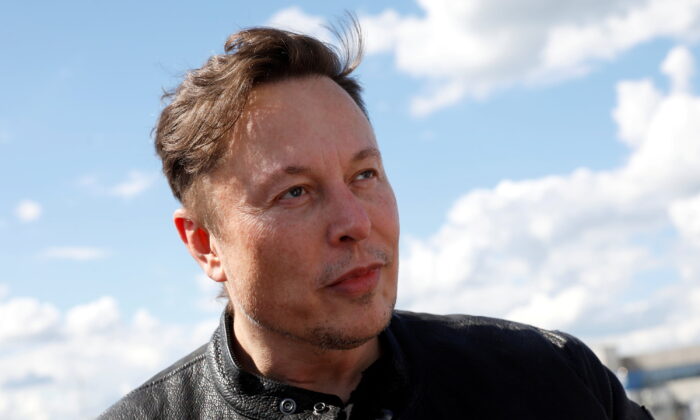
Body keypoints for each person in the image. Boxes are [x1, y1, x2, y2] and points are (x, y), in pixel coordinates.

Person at [99, 22, 654, 420]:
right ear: (204, 246)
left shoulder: (552, 381)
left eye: (364, 175)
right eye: (295, 192)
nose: (354, 222)